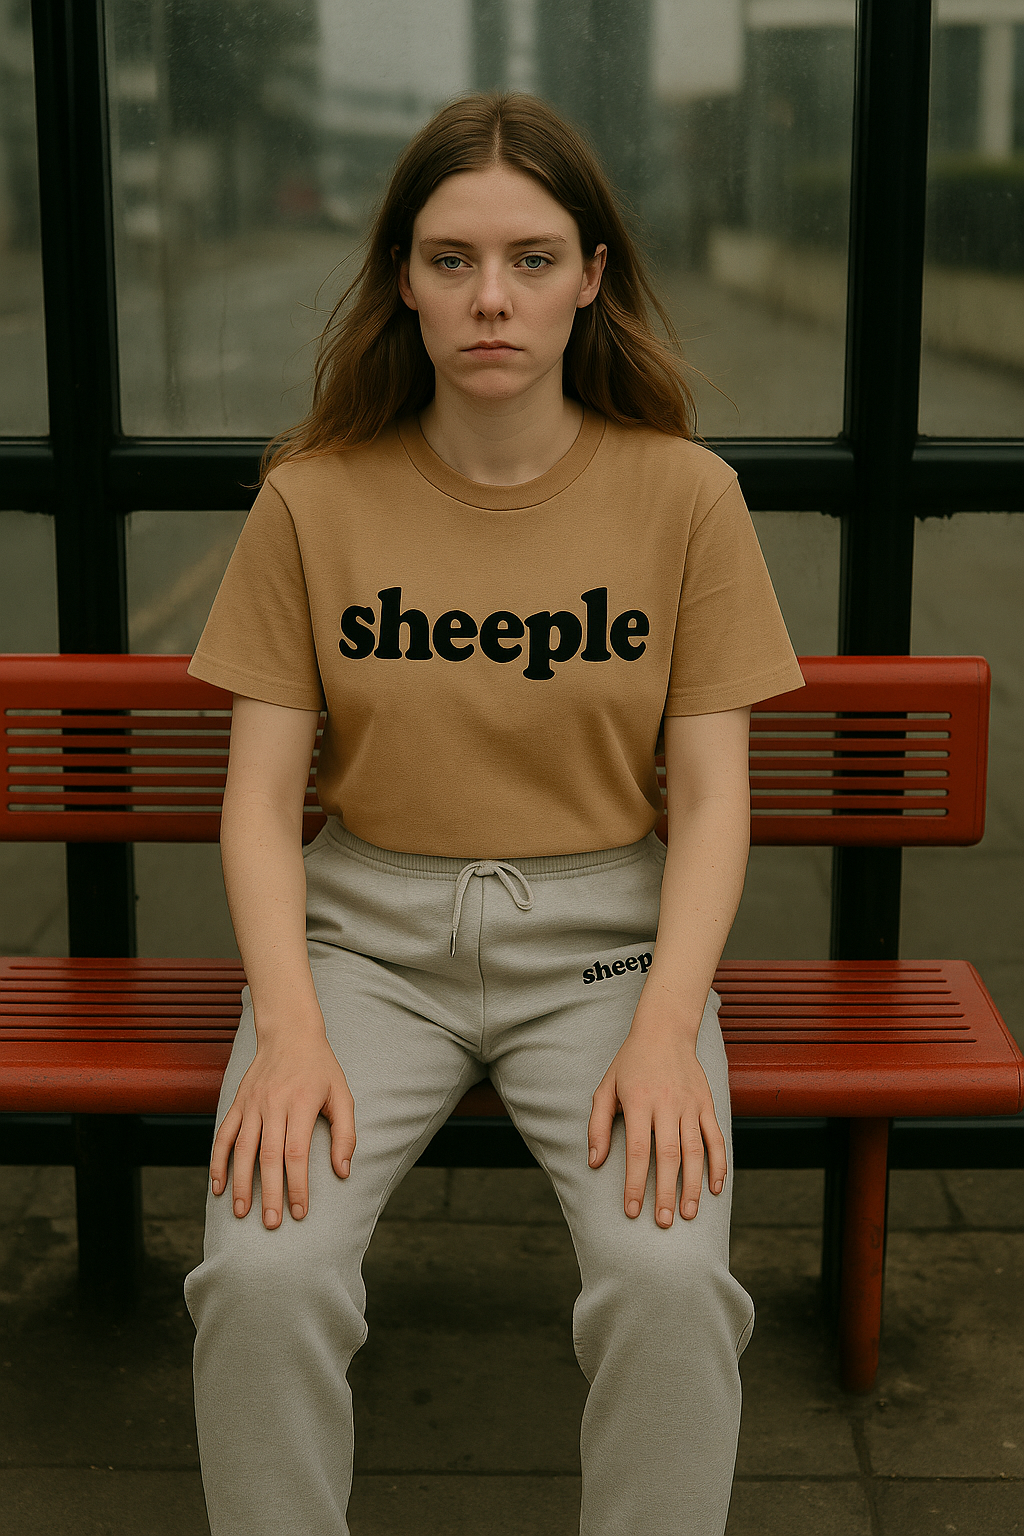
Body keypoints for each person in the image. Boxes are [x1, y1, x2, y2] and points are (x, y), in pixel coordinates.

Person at [183, 90, 805, 1536]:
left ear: (592, 275)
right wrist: (287, 1033)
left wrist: (666, 1027)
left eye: (532, 259)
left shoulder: (686, 497)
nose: (492, 300)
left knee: (667, 1284)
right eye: (452, 259)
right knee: (260, 1278)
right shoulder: (313, 501)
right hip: (362, 951)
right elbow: (260, 801)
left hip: (603, 950)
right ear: (402, 274)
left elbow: (713, 799)